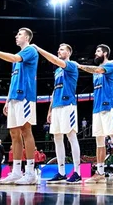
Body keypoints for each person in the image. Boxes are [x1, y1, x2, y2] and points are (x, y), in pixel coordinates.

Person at [0, 28, 39, 185]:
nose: (16, 36)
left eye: (19, 34)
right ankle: (16, 171)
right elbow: (13, 80)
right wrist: (7, 100)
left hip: (26, 96)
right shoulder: (18, 59)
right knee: (14, 134)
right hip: (15, 97)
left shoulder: (30, 50)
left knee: (26, 130)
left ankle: (30, 172)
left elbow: (12, 58)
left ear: (27, 37)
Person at [77, 45, 113, 184]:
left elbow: (98, 69)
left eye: (98, 51)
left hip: (109, 106)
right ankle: (100, 172)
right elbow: (96, 71)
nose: (95, 53)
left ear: (105, 53)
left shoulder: (110, 65)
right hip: (97, 108)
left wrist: (80, 66)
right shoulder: (96, 74)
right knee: (99, 141)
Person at [34, 43, 82, 184]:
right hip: (56, 106)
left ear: (68, 52)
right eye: (58, 49)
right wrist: (50, 110)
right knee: (57, 138)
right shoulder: (57, 72)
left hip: (68, 105)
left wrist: (39, 48)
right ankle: (61, 172)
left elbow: (54, 60)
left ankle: (77, 172)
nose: (58, 51)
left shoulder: (71, 65)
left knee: (71, 136)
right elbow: (55, 91)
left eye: (61, 49)